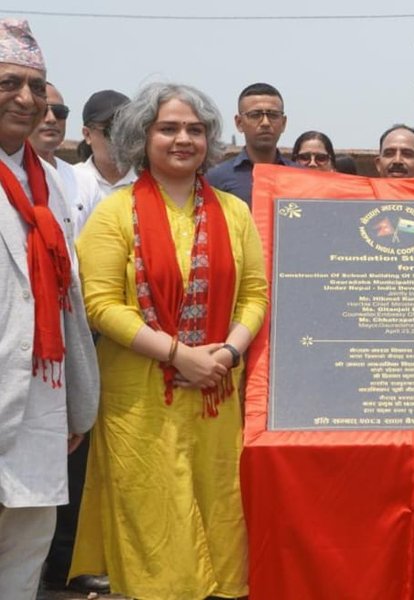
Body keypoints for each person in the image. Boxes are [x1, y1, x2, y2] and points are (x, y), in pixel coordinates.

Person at [69, 82, 268, 600]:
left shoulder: (234, 211)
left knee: (220, 511)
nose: (184, 139)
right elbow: (101, 304)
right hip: (140, 402)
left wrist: (225, 353)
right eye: (169, 128)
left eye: (195, 130)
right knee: (153, 522)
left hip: (216, 397)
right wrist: (180, 355)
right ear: (142, 137)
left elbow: (256, 294)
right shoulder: (114, 213)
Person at [0, 19, 99, 600]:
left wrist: (78, 403)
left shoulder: (48, 184)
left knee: (26, 547)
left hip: (38, 398)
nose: (27, 98)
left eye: (37, 86)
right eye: (10, 82)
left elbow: (69, 301)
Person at [28, 82, 102, 235]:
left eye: (59, 112)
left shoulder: (85, 182)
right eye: (41, 110)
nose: (51, 119)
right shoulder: (7, 178)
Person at [206, 82, 296, 206]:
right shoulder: (216, 178)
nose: (265, 122)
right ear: (239, 123)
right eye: (255, 115)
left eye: (273, 115)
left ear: (284, 123)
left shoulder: (301, 176)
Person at [74, 89, 137, 198]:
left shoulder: (151, 183)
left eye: (126, 128)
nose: (120, 137)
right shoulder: (71, 181)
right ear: (87, 135)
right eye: (111, 129)